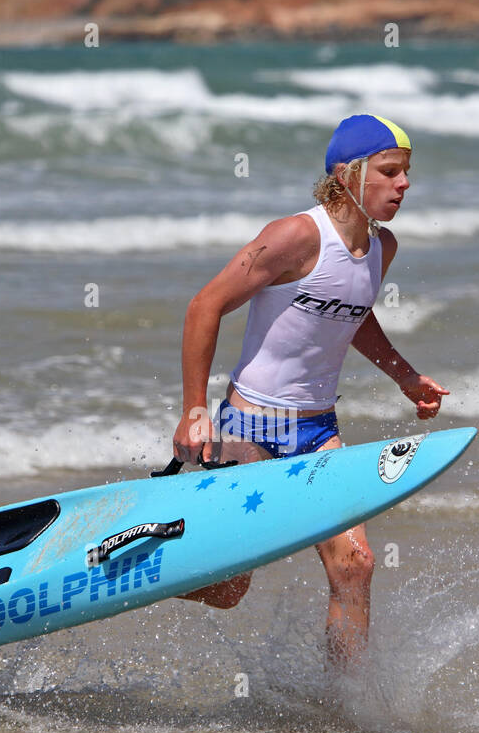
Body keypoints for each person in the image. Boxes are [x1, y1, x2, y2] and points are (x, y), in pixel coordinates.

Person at [172, 113, 449, 670]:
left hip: (319, 430)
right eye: (390, 172)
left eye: (406, 173)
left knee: (356, 565)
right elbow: (206, 305)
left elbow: (354, 315)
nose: (404, 184)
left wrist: (404, 375)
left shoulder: (380, 248)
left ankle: (342, 706)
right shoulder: (296, 237)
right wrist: (195, 411)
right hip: (251, 428)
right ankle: (130, 579)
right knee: (230, 589)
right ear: (349, 174)